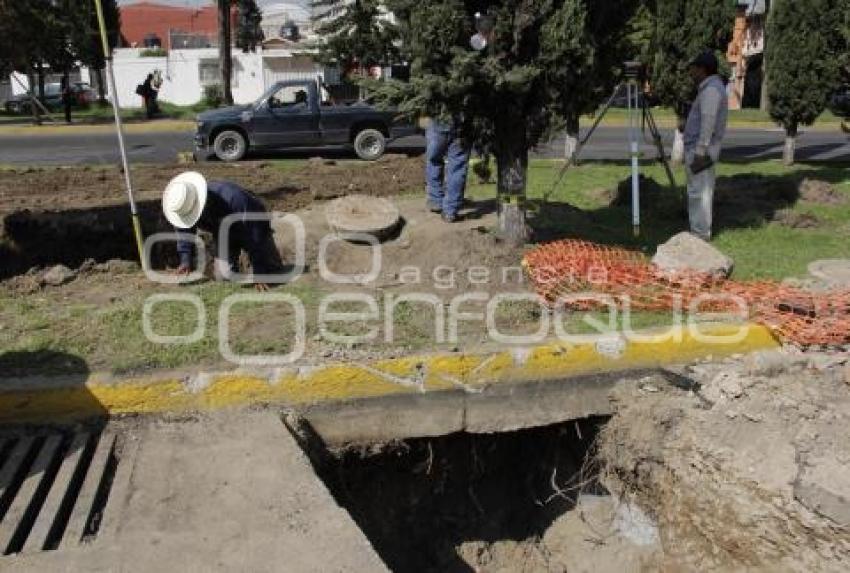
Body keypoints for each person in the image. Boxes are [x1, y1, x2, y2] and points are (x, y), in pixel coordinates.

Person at [162, 172, 283, 291]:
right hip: (224, 232)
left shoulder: (234, 199)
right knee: (223, 275)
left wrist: (259, 271)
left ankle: (265, 253)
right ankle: (245, 262)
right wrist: (185, 261)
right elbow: (184, 230)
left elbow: (255, 234)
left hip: (253, 225)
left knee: (272, 272)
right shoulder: (184, 206)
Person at [684, 51, 728, 241]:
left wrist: (701, 150)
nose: (691, 72)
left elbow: (708, 121)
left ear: (702, 69)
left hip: (700, 150)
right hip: (702, 148)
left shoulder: (711, 90)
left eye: (693, 68)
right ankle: (700, 231)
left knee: (699, 192)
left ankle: (699, 234)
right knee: (701, 190)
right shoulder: (711, 88)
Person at [425, 118, 471, 223]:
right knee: (458, 168)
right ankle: (450, 211)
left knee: (434, 161)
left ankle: (436, 201)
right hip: (462, 124)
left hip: (437, 122)